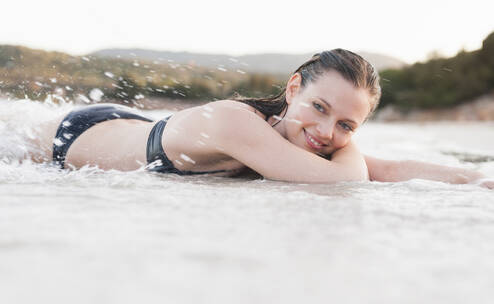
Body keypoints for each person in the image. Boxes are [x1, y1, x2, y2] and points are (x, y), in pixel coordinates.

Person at [30, 49, 493, 188]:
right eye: (319, 108)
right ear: (294, 89)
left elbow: (387, 171)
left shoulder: (292, 139)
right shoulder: (238, 124)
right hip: (78, 136)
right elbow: (343, 182)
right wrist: (348, 147)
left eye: (347, 125)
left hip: (135, 127)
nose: (327, 132)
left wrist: (476, 179)